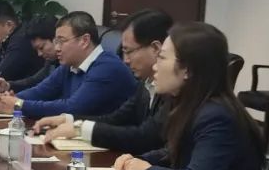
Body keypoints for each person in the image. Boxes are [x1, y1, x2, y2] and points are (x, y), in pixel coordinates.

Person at [112, 22, 267, 170]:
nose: (155, 66)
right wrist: (137, 160)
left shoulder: (217, 116)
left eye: (162, 58)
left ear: (187, 70)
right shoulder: (187, 104)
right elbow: (174, 151)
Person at [37, 9, 173, 154]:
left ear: (155, 48)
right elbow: (116, 119)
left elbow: (144, 137)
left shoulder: (172, 91)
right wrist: (70, 120)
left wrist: (80, 129)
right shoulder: (144, 84)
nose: (125, 61)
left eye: (129, 52)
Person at [0, 11, 136, 117]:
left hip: (112, 147)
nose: (57, 48)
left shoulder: (107, 67)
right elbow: (40, 91)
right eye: (55, 42)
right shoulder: (69, 65)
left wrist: (18, 104)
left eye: (61, 41)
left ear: (84, 41)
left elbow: (72, 108)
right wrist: (6, 99)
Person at [0, 15, 59, 93]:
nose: (39, 54)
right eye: (36, 50)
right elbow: (34, 81)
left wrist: (16, 99)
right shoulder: (51, 62)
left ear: (56, 39)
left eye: (41, 48)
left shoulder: (66, 65)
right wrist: (7, 85)